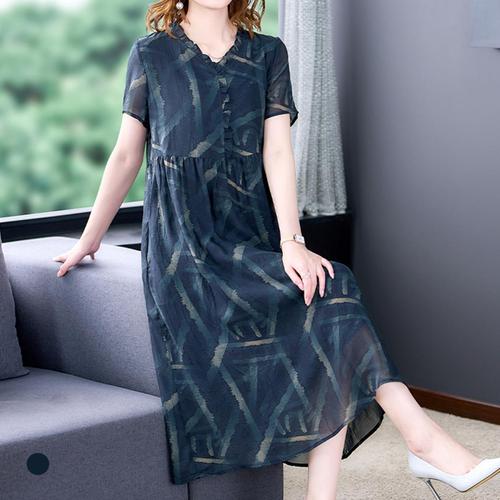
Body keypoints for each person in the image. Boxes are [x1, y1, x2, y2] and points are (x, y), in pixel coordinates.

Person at [53, 1, 499, 498]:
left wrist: (292, 242)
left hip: (251, 230)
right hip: (186, 247)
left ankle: (392, 456)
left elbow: (278, 150)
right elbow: (126, 154)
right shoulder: (151, 54)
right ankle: (425, 440)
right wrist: (90, 238)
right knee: (328, 308)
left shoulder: (267, 53)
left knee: (328, 290)